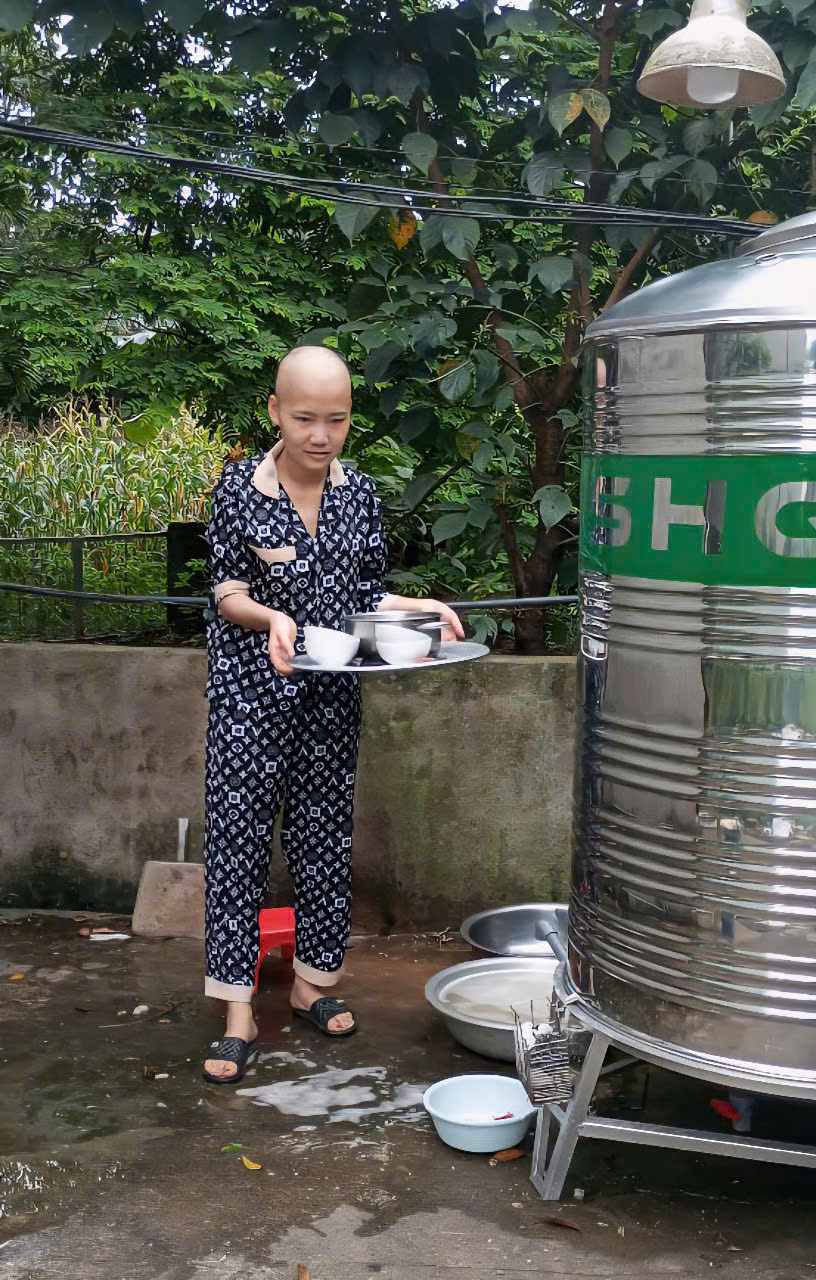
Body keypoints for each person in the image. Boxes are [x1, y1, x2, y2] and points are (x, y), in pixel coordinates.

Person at [201, 345, 463, 1083]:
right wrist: (270, 618)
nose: (321, 436)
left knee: (323, 840)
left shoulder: (359, 494)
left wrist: (423, 607)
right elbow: (226, 592)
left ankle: (313, 984)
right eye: (305, 418)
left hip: (331, 696)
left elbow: (365, 596)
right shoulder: (237, 490)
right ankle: (237, 1009)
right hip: (250, 696)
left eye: (337, 420)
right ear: (275, 411)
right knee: (238, 843)